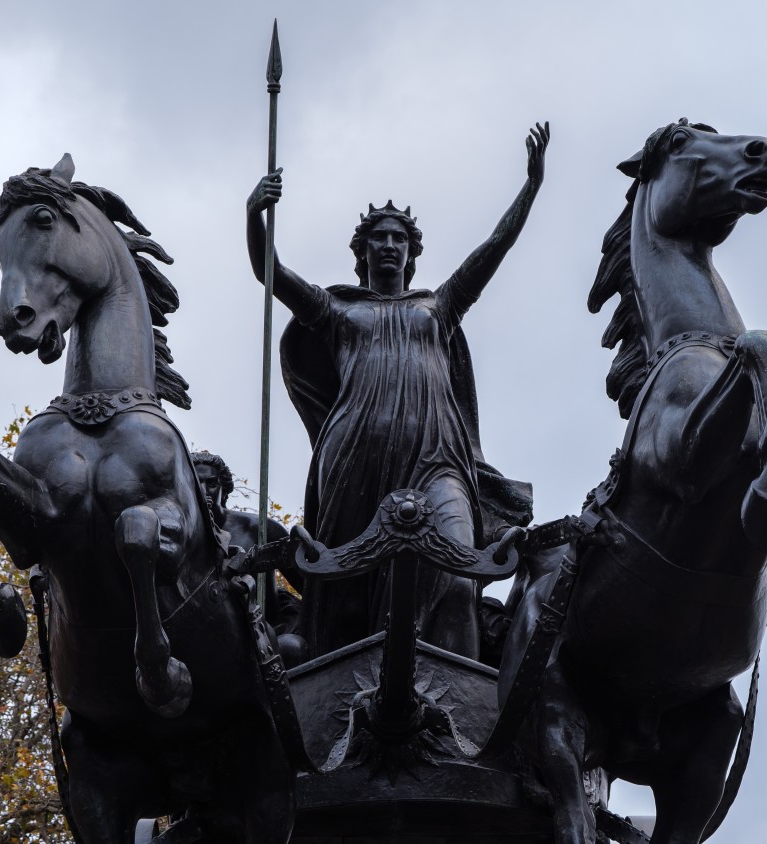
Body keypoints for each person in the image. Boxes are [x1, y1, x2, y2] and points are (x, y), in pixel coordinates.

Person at [246, 123, 549, 659]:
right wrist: (254, 215)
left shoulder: (440, 306)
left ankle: (456, 701)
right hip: (353, 461)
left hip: (437, 460)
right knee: (344, 597)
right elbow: (270, 273)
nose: (389, 245)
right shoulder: (338, 310)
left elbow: (493, 249)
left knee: (456, 572)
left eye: (398, 238)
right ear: (361, 253)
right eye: (378, 238)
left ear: (411, 253)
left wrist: (530, 186)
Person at [190, 451, 299, 637]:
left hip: (270, 637)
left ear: (223, 489)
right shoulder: (179, 539)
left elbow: (307, 583)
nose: (203, 491)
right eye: (195, 483)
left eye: (211, 483)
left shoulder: (257, 528)